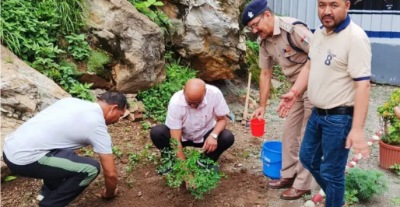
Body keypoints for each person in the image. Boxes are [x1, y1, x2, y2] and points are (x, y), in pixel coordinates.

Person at [277, 0, 371, 206]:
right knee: (308, 158)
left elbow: (363, 86)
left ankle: (335, 200)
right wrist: (294, 92)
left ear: (347, 5)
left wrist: (358, 129)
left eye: (333, 5)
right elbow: (309, 67)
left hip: (340, 118)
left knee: (332, 171)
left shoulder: (355, 38)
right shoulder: (319, 33)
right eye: (321, 5)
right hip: (318, 113)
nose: (326, 11)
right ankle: (337, 198)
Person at [3, 92, 129, 207]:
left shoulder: (70, 102)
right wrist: (109, 193)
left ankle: (50, 188)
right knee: (91, 168)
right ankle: (50, 204)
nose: (118, 120)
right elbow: (111, 174)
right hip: (24, 160)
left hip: (10, 147)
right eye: (120, 115)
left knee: (69, 154)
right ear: (113, 108)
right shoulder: (97, 126)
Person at [241, 0, 313, 200]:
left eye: (255, 25)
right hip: (295, 91)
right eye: (251, 28)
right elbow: (265, 74)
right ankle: (288, 175)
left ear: (267, 15)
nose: (255, 30)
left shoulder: (293, 30)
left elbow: (319, 54)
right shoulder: (264, 41)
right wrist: (262, 106)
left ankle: (303, 184)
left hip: (315, 87)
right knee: (289, 133)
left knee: (308, 136)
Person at [150, 78, 235, 171]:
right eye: (190, 102)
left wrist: (213, 135)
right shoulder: (176, 102)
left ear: (205, 93)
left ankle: (205, 161)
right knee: (157, 133)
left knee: (227, 137)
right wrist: (186, 173)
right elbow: (175, 141)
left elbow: (222, 120)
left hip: (205, 135)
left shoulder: (214, 94)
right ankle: (171, 160)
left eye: (198, 102)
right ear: (183, 91)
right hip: (182, 136)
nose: (193, 106)